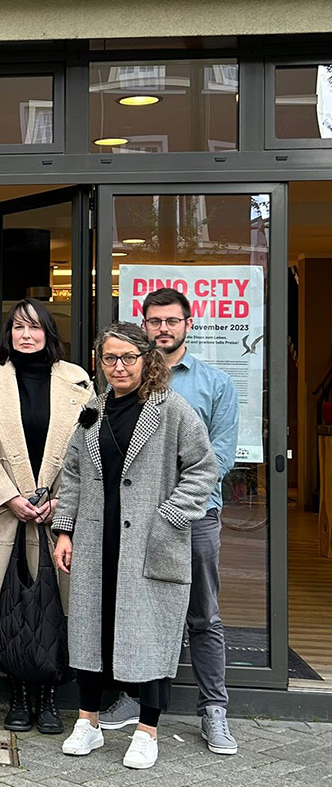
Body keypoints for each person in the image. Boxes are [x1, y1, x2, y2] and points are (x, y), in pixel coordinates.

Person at [53, 322, 217, 770]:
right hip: (95, 539)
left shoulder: (171, 409)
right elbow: (71, 474)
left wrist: (170, 516)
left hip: (149, 542)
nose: (119, 366)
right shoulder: (94, 409)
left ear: (146, 359)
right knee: (91, 630)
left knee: (148, 636)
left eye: (128, 357)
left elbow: (203, 467)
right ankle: (87, 723)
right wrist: (64, 531)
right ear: (99, 362)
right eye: (109, 358)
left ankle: (148, 730)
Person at [99, 288, 241, 756]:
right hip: (131, 524)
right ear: (144, 326)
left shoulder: (214, 383)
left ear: (187, 324)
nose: (163, 328)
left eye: (172, 321)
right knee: (132, 608)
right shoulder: (124, 383)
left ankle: (213, 710)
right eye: (155, 321)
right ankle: (132, 697)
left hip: (193, 519)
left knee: (203, 615)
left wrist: (170, 508)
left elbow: (215, 458)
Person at [0, 299, 94, 735]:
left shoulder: (79, 381)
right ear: (9, 333)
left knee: (56, 607)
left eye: (35, 328)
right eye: (19, 327)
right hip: (7, 516)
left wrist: (62, 503)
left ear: (48, 333)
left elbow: (91, 453)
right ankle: (18, 694)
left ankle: (51, 696)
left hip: (59, 516)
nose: (26, 335)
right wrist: (9, 497)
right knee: (13, 606)